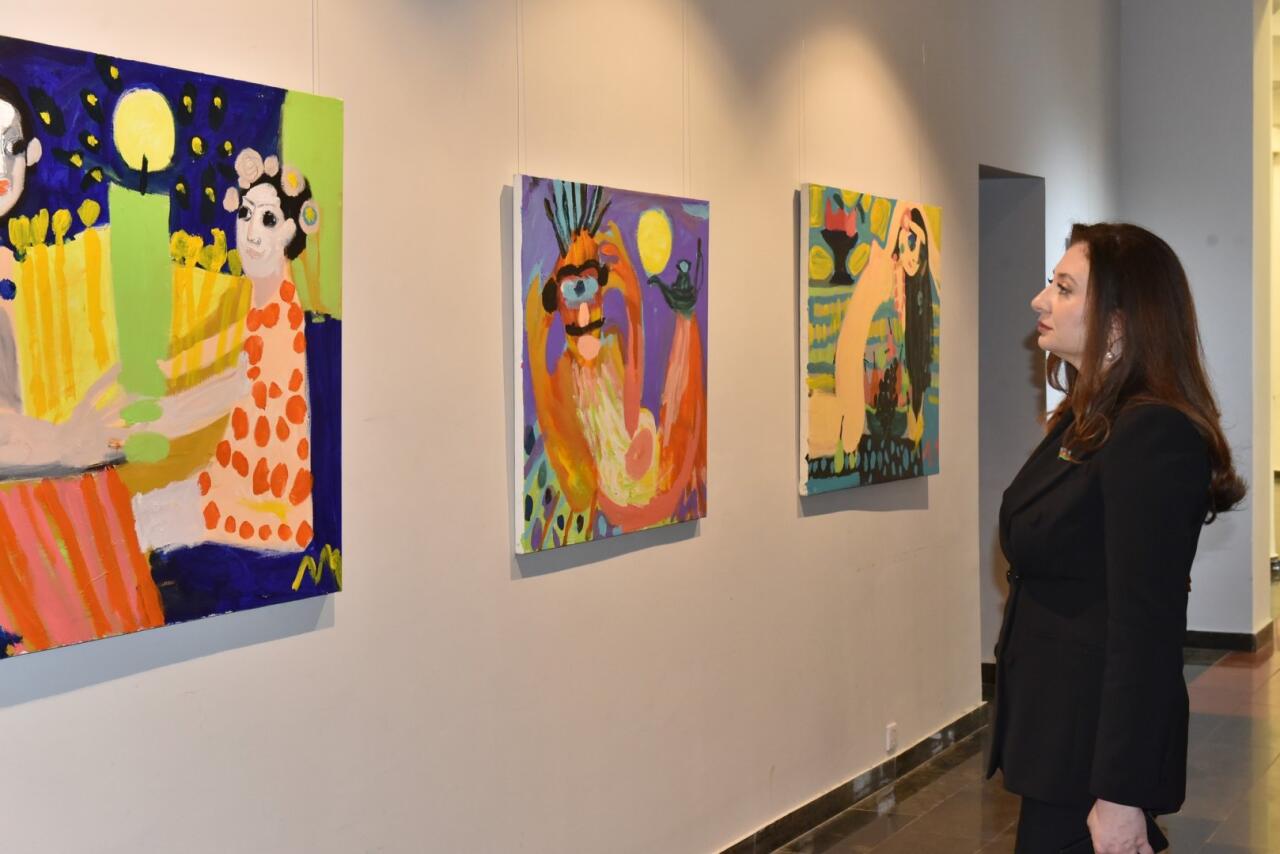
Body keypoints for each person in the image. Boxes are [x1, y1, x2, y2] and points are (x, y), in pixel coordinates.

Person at [986, 222, 1246, 853]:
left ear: (1120, 326)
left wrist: (1122, 794)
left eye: (1064, 288)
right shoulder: (1087, 418)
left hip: (1092, 752)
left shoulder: (1152, 435)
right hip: (1054, 736)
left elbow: (1146, 629)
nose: (1040, 300)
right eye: (1051, 283)